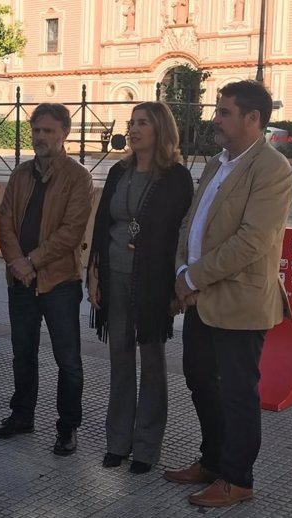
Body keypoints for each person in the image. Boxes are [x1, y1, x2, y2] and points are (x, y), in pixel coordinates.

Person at [166, 80, 292, 507]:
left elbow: (251, 241)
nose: (215, 119)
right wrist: (183, 270)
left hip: (239, 302)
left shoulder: (272, 168)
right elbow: (192, 222)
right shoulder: (218, 163)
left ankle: (237, 479)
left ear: (252, 118)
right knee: (200, 380)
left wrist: (194, 277)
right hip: (200, 296)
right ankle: (213, 460)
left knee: (237, 393)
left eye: (224, 112)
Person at [87, 102, 193, 473]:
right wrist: (94, 273)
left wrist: (175, 283)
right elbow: (102, 225)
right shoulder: (119, 171)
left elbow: (179, 233)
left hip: (153, 280)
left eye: (142, 123)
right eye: (131, 123)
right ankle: (118, 441)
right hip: (113, 274)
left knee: (151, 361)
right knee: (119, 357)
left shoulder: (176, 177)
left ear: (160, 130)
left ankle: (147, 446)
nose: (133, 129)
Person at [0, 103, 93, 456]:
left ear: (64, 133)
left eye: (48, 131)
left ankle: (67, 428)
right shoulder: (20, 174)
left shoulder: (78, 177)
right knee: (23, 354)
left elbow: (71, 231)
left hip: (59, 281)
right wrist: (17, 263)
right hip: (20, 280)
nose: (41, 137)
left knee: (68, 360)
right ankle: (21, 416)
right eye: (36, 130)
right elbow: (4, 221)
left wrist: (32, 260)